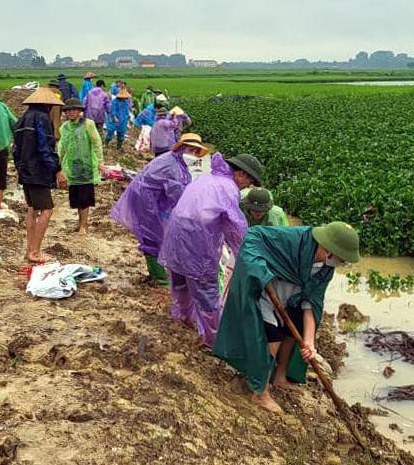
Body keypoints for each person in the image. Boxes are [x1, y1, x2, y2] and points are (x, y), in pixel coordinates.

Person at [213, 222, 360, 413]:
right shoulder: (294, 240)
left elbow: (311, 302)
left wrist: (309, 342)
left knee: (295, 329)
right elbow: (253, 236)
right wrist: (258, 268)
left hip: (289, 301)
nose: (341, 264)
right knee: (272, 338)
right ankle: (260, 392)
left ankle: (280, 377)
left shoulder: (326, 269)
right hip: (265, 294)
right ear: (328, 250)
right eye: (341, 259)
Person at [158, 153, 263, 345]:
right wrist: (246, 256)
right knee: (207, 290)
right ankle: (214, 340)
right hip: (197, 240)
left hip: (176, 235)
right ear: (241, 174)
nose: (247, 186)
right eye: (249, 181)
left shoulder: (207, 178)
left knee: (180, 279)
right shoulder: (229, 188)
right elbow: (235, 227)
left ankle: (183, 317)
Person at [111, 133, 209, 282]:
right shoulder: (172, 165)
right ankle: (158, 276)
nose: (193, 154)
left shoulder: (178, 162)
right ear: (182, 148)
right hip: (145, 199)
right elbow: (178, 192)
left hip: (153, 197)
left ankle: (157, 273)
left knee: (158, 233)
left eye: (196, 152)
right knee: (152, 235)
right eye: (190, 150)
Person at [12, 83, 64, 263]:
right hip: (38, 172)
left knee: (32, 209)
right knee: (47, 210)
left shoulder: (22, 120)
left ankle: (30, 249)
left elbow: (15, 150)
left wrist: (21, 169)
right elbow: (45, 148)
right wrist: (57, 170)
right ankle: (35, 252)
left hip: (26, 171)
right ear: (48, 104)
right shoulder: (42, 119)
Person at [57, 97, 104, 233]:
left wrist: (100, 162)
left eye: (74, 110)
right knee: (76, 198)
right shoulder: (64, 127)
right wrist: (57, 164)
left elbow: (96, 143)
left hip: (86, 167)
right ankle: (79, 223)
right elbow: (62, 147)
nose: (70, 112)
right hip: (71, 167)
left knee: (85, 198)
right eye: (68, 111)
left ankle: (84, 224)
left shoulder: (88, 124)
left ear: (79, 111)